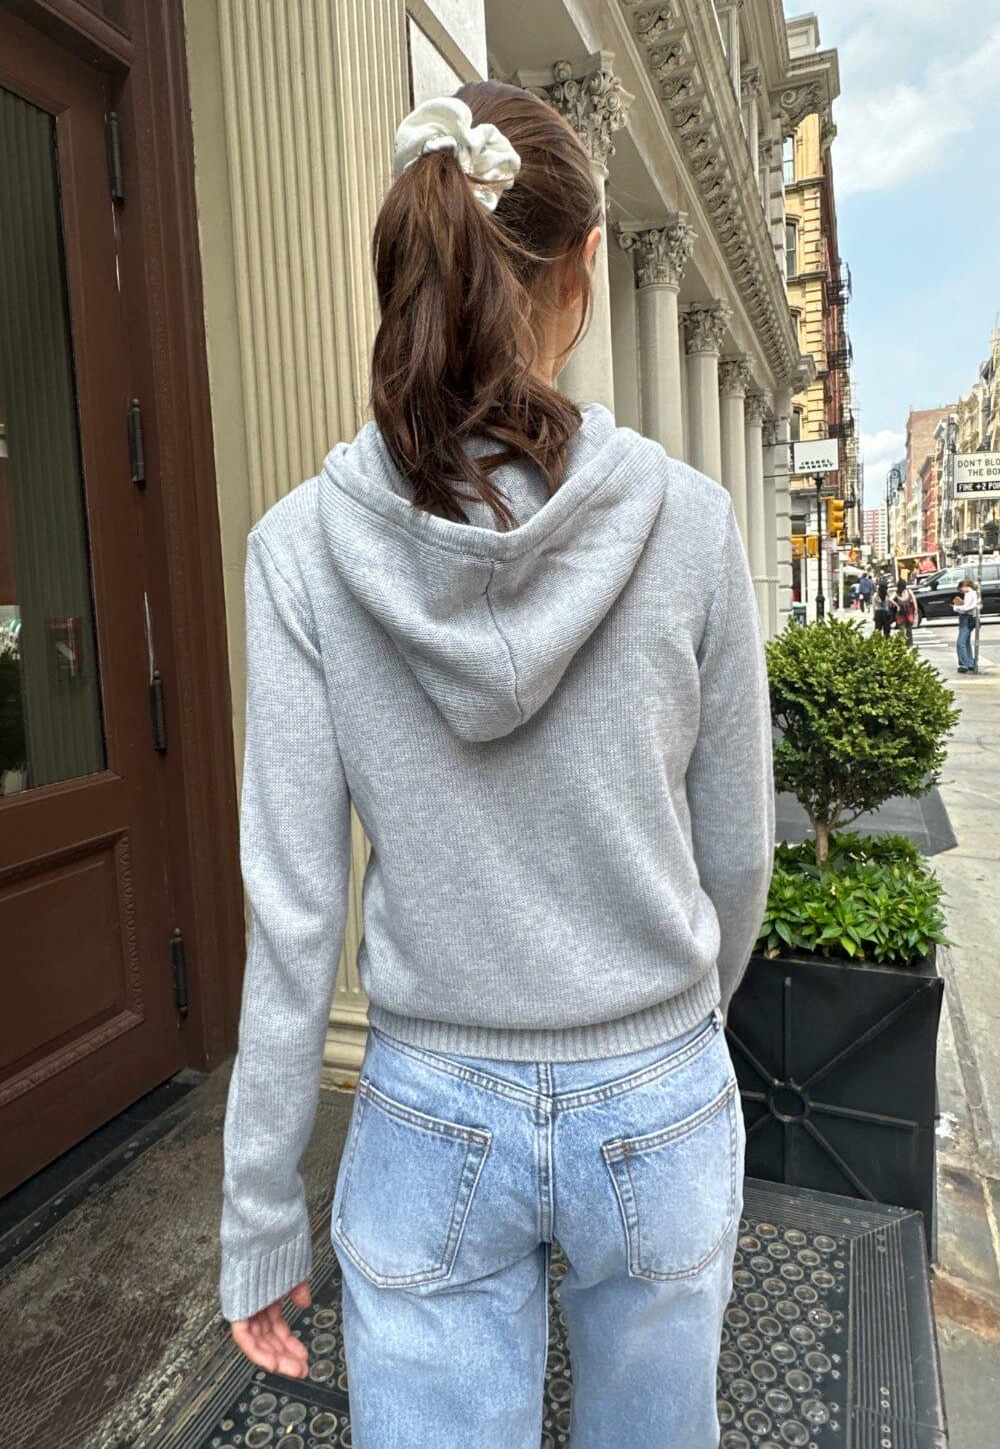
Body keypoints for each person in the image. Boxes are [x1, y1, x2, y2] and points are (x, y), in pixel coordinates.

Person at [218, 82, 774, 1447]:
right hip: (655, 1081)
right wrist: (669, 1023)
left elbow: (294, 914)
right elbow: (738, 854)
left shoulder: (302, 551)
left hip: (428, 1103)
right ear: (585, 266)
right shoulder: (689, 526)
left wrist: (260, 1210)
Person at [953, 578, 980, 672]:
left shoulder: (969, 594)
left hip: (966, 618)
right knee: (966, 642)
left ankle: (964, 665)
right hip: (970, 619)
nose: (961, 591)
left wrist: (956, 607)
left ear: (965, 586)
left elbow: (967, 608)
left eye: (961, 589)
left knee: (960, 643)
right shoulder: (974, 594)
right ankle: (970, 663)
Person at [890, 579, 917, 645]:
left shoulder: (909, 591)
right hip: (901, 613)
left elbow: (914, 600)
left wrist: (915, 611)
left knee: (909, 629)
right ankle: (904, 643)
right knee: (902, 629)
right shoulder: (896, 592)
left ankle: (909, 644)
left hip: (908, 611)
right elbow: (890, 599)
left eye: (901, 587)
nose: (900, 589)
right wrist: (897, 605)